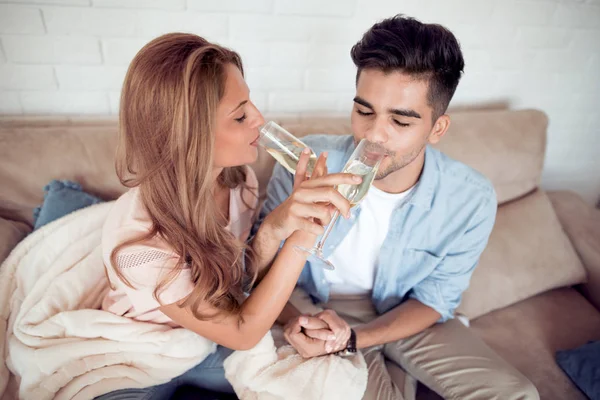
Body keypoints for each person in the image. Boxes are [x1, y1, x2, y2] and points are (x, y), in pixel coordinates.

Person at [257, 15, 540, 400]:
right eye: (364, 111)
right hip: (312, 304)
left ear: (436, 129)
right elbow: (258, 269)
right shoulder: (306, 161)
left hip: (404, 312)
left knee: (516, 394)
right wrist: (301, 322)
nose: (373, 134)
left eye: (400, 120)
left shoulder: (471, 199)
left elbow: (436, 299)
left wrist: (355, 338)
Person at [96, 32, 359, 399]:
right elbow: (243, 331)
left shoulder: (240, 182)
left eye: (250, 103)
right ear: (189, 135)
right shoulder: (139, 246)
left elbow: (235, 285)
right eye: (240, 116)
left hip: (208, 337)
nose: (259, 119)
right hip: (143, 352)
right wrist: (306, 231)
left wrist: (276, 228)